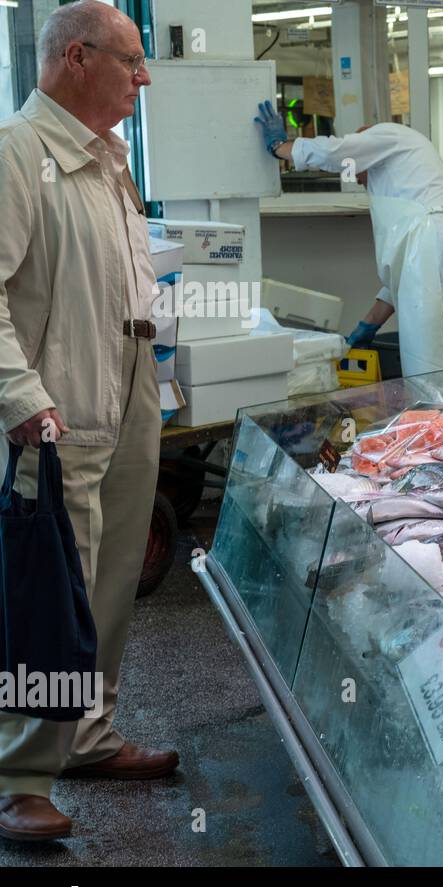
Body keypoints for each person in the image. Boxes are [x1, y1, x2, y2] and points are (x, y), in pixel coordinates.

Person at [0, 0, 177, 843]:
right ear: (76, 57)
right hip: (57, 411)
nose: (143, 77)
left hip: (129, 395)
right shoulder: (17, 154)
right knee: (49, 598)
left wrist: (157, 372)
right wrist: (24, 399)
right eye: (130, 60)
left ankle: (89, 735)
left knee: (109, 584)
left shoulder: (108, 158)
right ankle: (21, 771)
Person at [254, 104, 443, 372]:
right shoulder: (414, 188)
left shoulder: (389, 135)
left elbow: (335, 151)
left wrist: (281, 148)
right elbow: (406, 274)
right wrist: (369, 324)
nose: (358, 180)